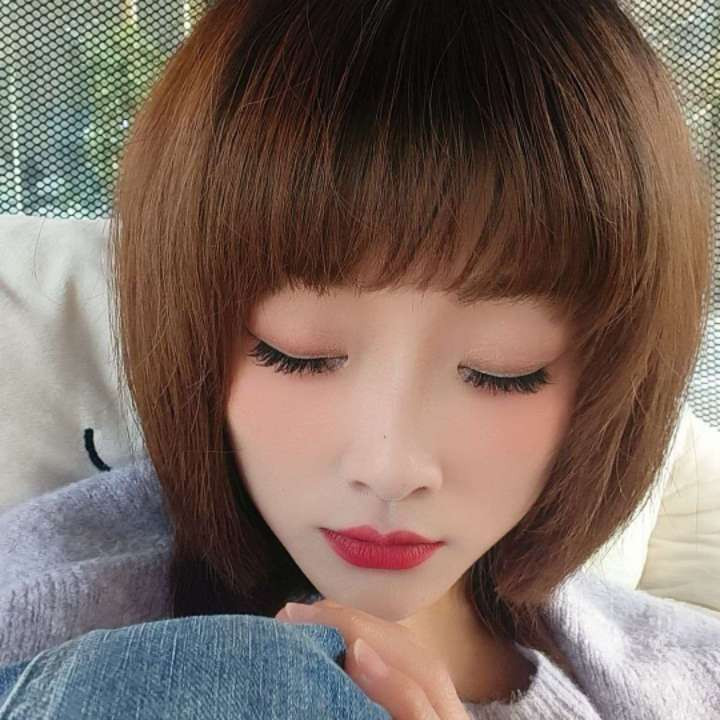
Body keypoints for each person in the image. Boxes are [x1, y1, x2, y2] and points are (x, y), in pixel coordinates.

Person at [1, 0, 718, 718]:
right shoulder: (38, 613)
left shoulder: (691, 677)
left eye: (503, 369)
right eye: (300, 353)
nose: (390, 469)